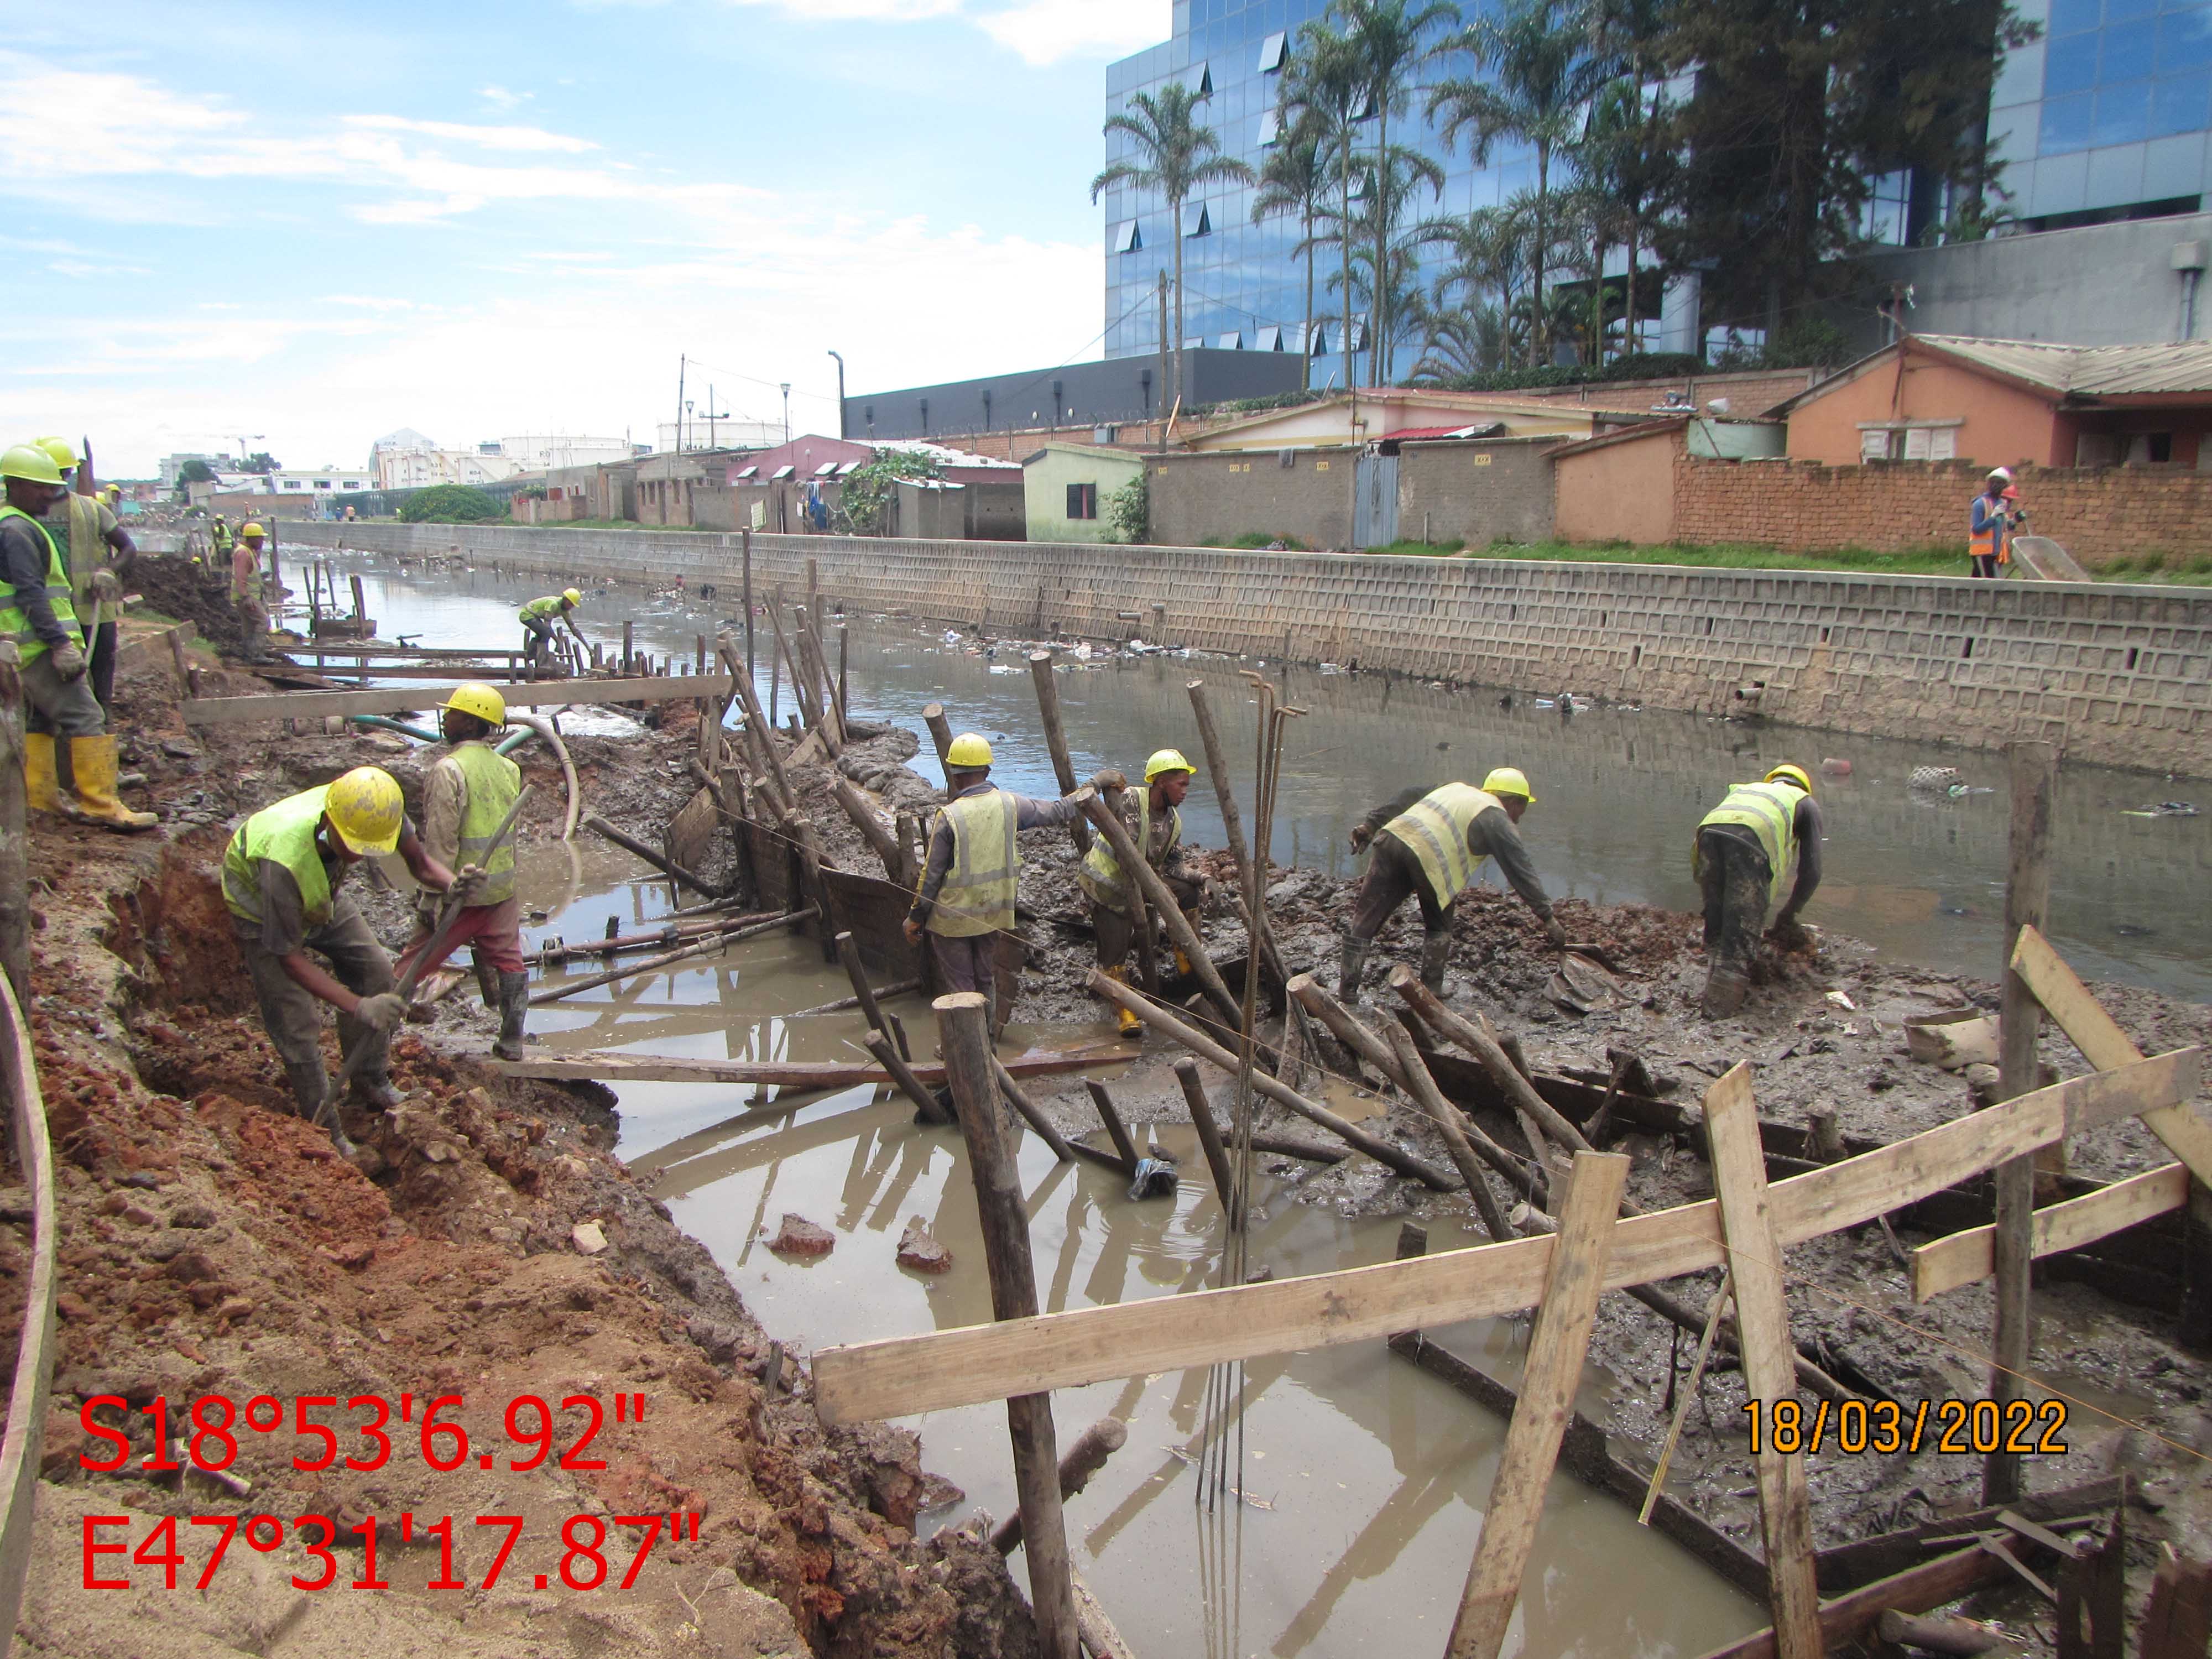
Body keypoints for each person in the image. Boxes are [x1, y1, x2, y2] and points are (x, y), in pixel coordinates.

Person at [221, 767, 458, 1152]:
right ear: (330, 822)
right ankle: (326, 1131)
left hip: (321, 894)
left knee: (377, 973)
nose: (364, 855)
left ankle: (368, 1081)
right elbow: (289, 959)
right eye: (356, 846)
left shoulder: (376, 811)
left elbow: (419, 864)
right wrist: (358, 1006)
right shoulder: (284, 860)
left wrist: (453, 883)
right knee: (298, 1024)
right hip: (264, 909)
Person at [0, 444, 153, 830]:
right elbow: (31, 593)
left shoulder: (12, 523)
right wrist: (60, 645)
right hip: (37, 646)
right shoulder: (18, 529)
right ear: (14, 485)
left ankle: (42, 797)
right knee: (87, 716)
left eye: (52, 486)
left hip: (23, 646)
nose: (49, 494)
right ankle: (100, 804)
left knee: (40, 722)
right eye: (39, 487)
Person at [901, 732, 1084, 1036]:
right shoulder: (1010, 805)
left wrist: (915, 917)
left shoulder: (950, 816)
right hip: (993, 915)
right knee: (985, 980)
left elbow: (931, 877)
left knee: (962, 989)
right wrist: (1093, 789)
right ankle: (989, 1044)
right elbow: (1057, 811)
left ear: (954, 776)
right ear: (987, 770)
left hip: (952, 921)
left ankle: (972, 1053)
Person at [1339, 768, 1564, 1002]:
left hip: (1392, 839)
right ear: (1515, 802)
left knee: (1365, 918)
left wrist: (1370, 824)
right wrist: (1547, 917)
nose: (1520, 817)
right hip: (1429, 859)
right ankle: (1432, 988)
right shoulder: (1496, 818)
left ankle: (1347, 990)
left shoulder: (1454, 789)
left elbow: (1408, 795)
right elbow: (1520, 869)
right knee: (1439, 922)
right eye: (1523, 808)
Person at [393, 684, 528, 1058]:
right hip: (500, 891)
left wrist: (432, 895)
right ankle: (513, 1040)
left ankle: (375, 1035)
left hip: (460, 894)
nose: (445, 718)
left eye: (452, 713)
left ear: (470, 722)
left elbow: (441, 842)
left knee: (409, 968)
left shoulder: (448, 770)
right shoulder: (509, 768)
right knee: (510, 962)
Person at [1079, 747, 1211, 1037]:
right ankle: (1125, 1009)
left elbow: (1174, 865)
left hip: (1141, 885)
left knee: (1188, 891)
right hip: (1106, 886)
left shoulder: (1173, 821)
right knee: (1116, 948)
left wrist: (1201, 878)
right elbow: (1127, 852)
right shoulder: (1130, 800)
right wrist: (1158, 886)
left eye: (1187, 785)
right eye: (1181, 784)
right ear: (1161, 782)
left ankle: (1184, 956)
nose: (1185, 792)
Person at [1692, 763, 1824, 1019]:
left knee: (1718, 922)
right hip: (1750, 837)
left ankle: (1710, 993)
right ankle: (1717, 1015)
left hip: (1708, 832)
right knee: (1740, 933)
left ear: (1772, 780)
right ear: (1804, 787)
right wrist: (1789, 914)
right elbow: (1812, 872)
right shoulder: (1806, 803)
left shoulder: (1747, 789)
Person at [33, 437, 134, 713]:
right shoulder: (21, 515)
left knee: (100, 667)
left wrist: (108, 571)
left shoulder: (90, 509)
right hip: (45, 612)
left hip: (92, 608)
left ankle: (102, 720)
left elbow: (127, 548)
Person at [231, 521, 273, 662]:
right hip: (248, 596)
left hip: (253, 595)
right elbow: (240, 577)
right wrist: (246, 597)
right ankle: (257, 655)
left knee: (249, 626)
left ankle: (249, 654)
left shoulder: (249, 551)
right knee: (263, 622)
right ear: (252, 538)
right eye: (260, 538)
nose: (262, 541)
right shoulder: (243, 553)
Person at [519, 588, 585, 675]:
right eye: (570, 604)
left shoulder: (565, 611)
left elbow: (573, 628)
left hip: (535, 617)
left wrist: (587, 647)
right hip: (527, 615)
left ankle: (531, 654)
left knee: (542, 634)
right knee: (545, 633)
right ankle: (542, 664)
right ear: (565, 600)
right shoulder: (553, 604)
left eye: (572, 606)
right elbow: (547, 626)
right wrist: (558, 641)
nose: (570, 607)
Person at [1969, 468, 2012, 578]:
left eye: (2000, 483)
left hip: (1997, 552)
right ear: (1988, 483)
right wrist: (1993, 516)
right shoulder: (1980, 504)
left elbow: (2005, 526)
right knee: (1982, 582)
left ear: (2005, 486)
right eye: (1994, 482)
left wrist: (2015, 520)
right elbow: (1977, 529)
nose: (1996, 485)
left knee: (1990, 584)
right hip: (1982, 552)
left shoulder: (2002, 503)